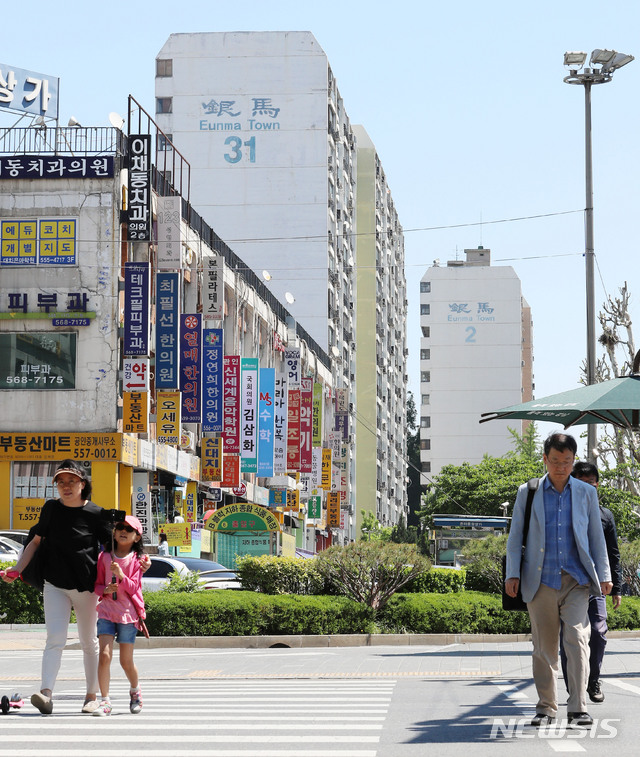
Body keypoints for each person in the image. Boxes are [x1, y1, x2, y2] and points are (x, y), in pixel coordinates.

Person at [505, 433, 612, 728]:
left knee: (577, 640)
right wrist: (512, 573)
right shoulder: (528, 491)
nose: (561, 467)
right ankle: (546, 707)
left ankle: (578, 706)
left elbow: (595, 537)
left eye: (567, 462)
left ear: (573, 460)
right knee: (544, 648)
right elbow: (515, 538)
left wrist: (604, 575)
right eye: (555, 461)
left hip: (576, 581)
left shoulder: (586, 493)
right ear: (545, 459)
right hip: (539, 581)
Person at [0, 459, 112, 715]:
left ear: (83, 484)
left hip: (87, 589)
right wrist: (17, 569)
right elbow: (35, 542)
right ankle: (46, 693)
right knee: (55, 639)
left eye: (71, 481)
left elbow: (112, 551)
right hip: (55, 584)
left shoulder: (95, 513)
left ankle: (91, 696)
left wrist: (124, 572)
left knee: (88, 641)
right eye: (61, 482)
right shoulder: (50, 509)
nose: (66, 486)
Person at [560, 461, 622, 704]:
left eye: (592, 484)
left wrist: (615, 586)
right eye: (582, 483)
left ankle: (593, 679)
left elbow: (613, 553)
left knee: (598, 632)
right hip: (566, 584)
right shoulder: (562, 511)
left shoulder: (605, 515)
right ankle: (574, 689)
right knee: (571, 637)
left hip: (595, 584)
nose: (589, 488)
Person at [93, 515, 147, 716]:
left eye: (129, 529)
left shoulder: (138, 560)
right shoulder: (104, 557)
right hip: (106, 611)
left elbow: (134, 588)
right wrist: (105, 590)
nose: (123, 531)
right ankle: (105, 701)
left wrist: (121, 576)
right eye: (120, 527)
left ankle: (135, 691)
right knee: (104, 656)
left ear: (137, 537)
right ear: (114, 533)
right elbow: (97, 585)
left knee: (126, 661)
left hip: (128, 614)